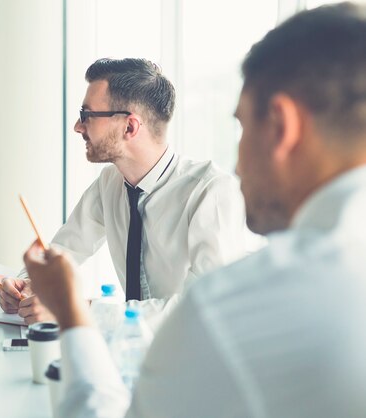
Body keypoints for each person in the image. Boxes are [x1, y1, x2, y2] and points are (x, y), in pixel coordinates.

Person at [23, 3, 366, 417]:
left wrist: (77, 312)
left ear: (280, 127)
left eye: (241, 126)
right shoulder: (109, 185)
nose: (238, 166)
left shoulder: (221, 305)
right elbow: (63, 253)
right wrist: (33, 285)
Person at [1, 58, 252, 324]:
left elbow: (202, 309)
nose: (77, 126)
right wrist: (27, 284)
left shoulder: (210, 191)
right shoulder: (110, 182)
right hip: (129, 349)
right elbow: (66, 248)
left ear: (130, 127)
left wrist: (77, 310)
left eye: (86, 115)